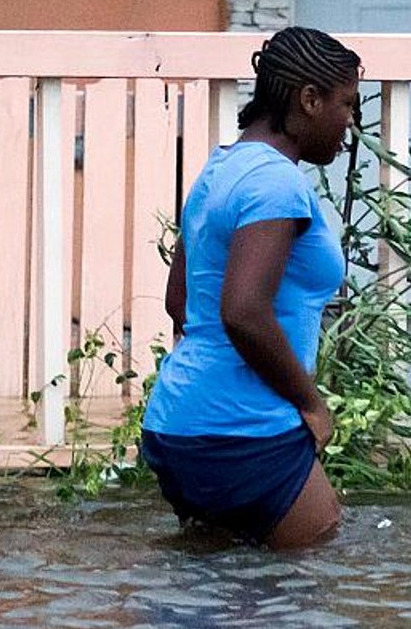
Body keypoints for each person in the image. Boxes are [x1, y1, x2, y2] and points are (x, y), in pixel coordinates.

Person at [140, 27, 361, 549]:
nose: (349, 123)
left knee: (217, 600)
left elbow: (181, 303)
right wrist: (312, 404)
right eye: (345, 104)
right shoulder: (276, 183)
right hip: (244, 430)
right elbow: (243, 311)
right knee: (308, 590)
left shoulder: (220, 169)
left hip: (177, 426)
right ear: (309, 99)